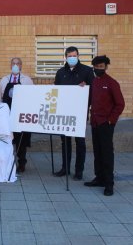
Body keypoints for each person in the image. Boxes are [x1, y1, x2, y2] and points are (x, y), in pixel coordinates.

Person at [84, 55, 125, 196]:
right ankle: (99, 178)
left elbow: (120, 104)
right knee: (97, 152)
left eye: (101, 67)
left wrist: (111, 120)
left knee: (107, 153)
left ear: (106, 67)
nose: (98, 69)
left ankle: (109, 184)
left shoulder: (112, 83)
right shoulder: (94, 82)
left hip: (106, 124)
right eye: (96, 67)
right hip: (95, 122)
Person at [54, 46, 94, 180]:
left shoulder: (87, 71)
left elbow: (93, 91)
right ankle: (65, 168)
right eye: (69, 56)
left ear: (78, 56)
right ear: (65, 57)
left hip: (79, 113)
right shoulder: (60, 72)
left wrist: (85, 90)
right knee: (65, 142)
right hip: (63, 113)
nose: (72, 58)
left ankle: (79, 171)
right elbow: (56, 91)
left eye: (74, 55)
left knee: (80, 143)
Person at [0, 57, 33, 173]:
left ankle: (21, 163)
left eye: (18, 63)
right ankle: (6, 163)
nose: (16, 65)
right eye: (13, 63)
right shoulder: (4, 80)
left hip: (21, 115)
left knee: (21, 141)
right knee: (7, 139)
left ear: (21, 66)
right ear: (10, 65)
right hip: (7, 114)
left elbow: (33, 97)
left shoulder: (27, 80)